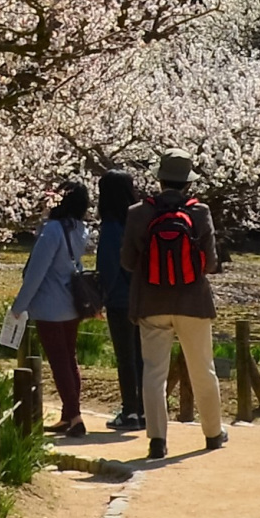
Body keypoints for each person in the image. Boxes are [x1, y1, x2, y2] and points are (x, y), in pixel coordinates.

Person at [120, 153, 225, 460]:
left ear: (159, 178)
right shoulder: (201, 212)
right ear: (187, 182)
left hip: (151, 301)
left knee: (154, 372)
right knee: (203, 368)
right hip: (193, 301)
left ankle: (157, 440)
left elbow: (127, 261)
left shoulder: (138, 213)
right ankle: (213, 433)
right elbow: (211, 263)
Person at [9, 182, 91, 435]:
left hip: (50, 306)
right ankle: (68, 416)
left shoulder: (53, 230)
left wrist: (19, 306)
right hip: (71, 303)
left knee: (59, 361)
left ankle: (75, 416)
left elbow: (36, 271)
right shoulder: (80, 229)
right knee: (69, 358)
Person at [96, 166, 143, 432]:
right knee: (142, 357)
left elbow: (110, 268)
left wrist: (101, 296)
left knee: (125, 357)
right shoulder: (138, 221)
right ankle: (145, 409)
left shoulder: (112, 227)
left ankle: (130, 411)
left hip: (119, 300)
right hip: (143, 297)